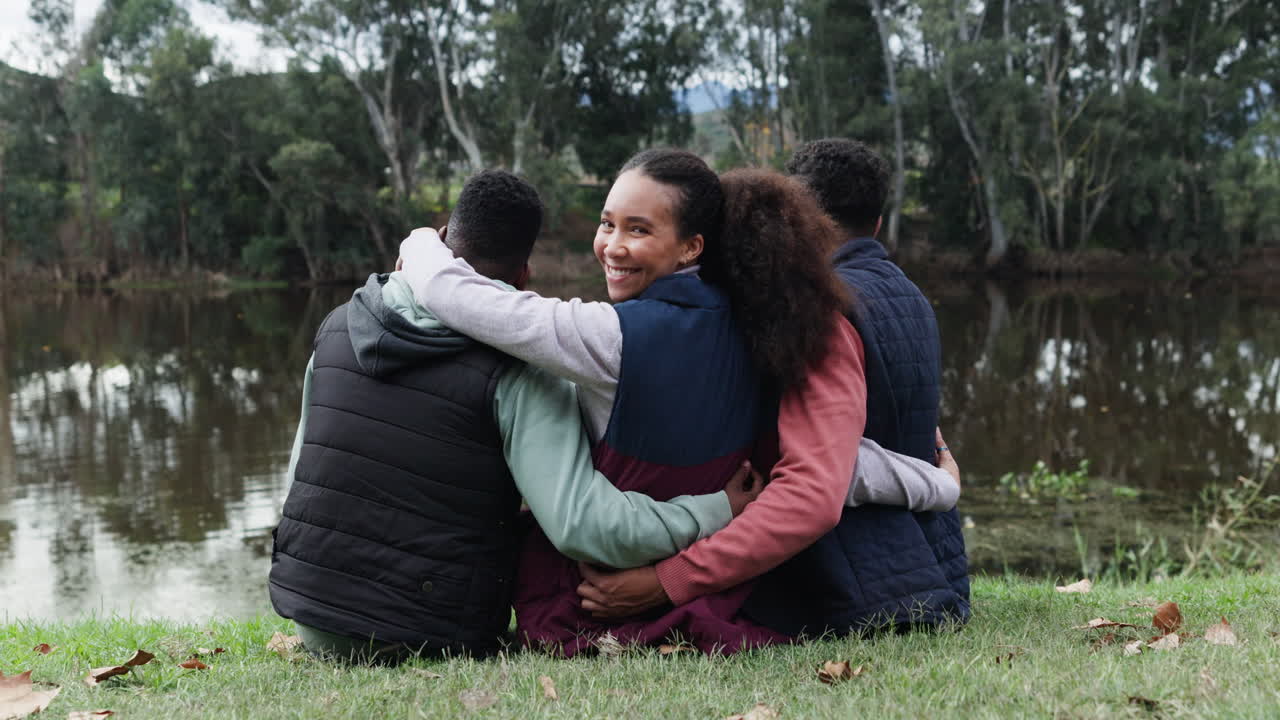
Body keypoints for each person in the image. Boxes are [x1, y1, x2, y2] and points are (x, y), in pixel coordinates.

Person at [397, 151, 960, 655]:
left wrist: (421, 241)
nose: (613, 245)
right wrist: (935, 484)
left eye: (638, 229)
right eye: (607, 223)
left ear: (695, 246)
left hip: (588, 598)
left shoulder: (611, 337)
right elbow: (836, 468)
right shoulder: (768, 339)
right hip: (719, 602)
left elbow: (464, 299)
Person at [268, 170, 763, 663]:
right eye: (607, 224)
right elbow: (582, 526)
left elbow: (302, 479)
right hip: (432, 631)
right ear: (524, 277)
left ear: (445, 237)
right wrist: (715, 510)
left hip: (309, 612)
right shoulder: (522, 368)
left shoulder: (338, 326)